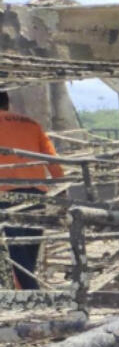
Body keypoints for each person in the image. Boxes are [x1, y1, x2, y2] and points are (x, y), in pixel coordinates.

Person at [0, 90, 64, 289]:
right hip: (37, 191)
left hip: (6, 192)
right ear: (7, 103)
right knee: (30, 244)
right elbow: (52, 159)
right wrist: (62, 187)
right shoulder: (31, 123)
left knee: (16, 249)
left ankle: (32, 293)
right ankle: (25, 289)